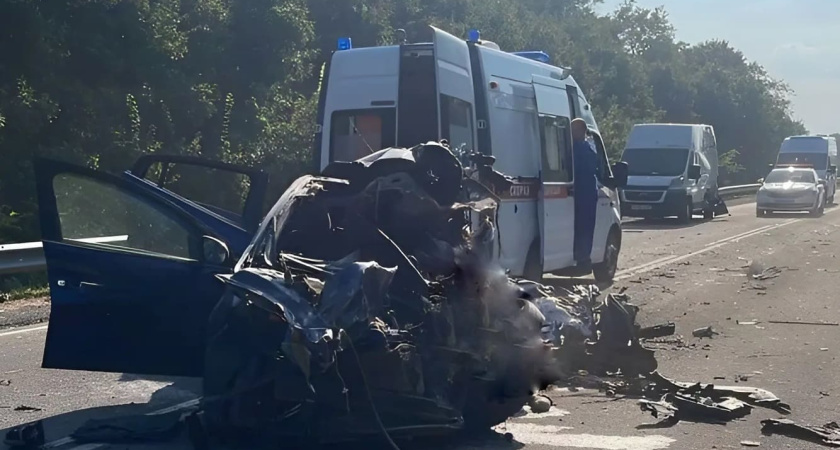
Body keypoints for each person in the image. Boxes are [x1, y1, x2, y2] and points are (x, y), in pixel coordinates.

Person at [571, 118, 599, 269]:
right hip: (577, 193)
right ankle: (579, 256)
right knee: (578, 227)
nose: (572, 133)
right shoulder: (577, 146)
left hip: (586, 192)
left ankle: (583, 257)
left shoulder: (588, 147)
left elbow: (591, 167)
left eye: (575, 130)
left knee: (585, 227)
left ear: (582, 131)